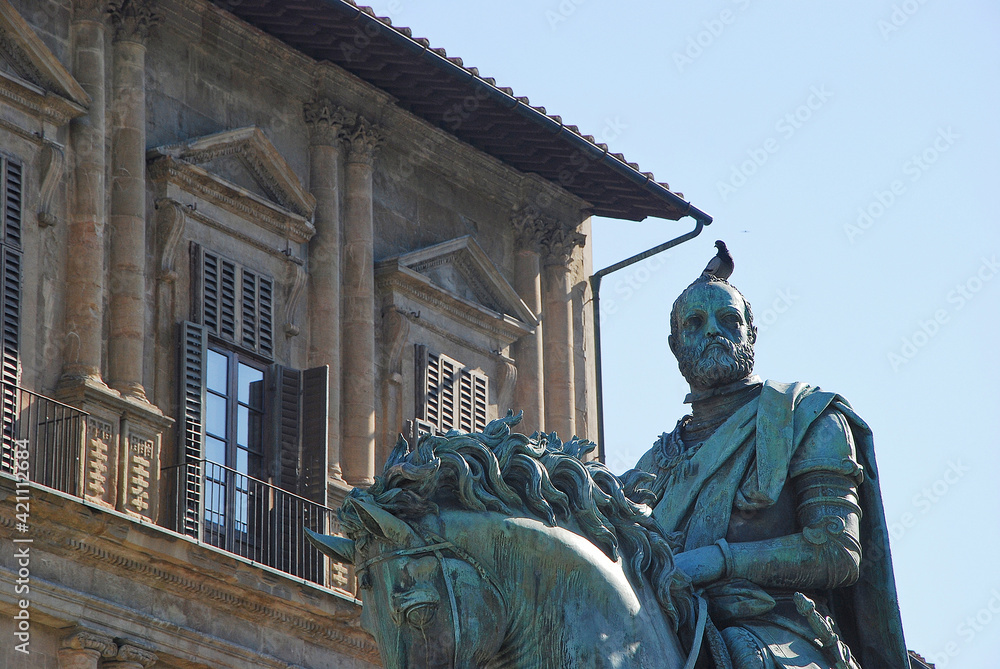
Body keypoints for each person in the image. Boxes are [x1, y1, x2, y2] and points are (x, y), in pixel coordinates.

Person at [632, 274, 908, 669]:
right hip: (667, 628)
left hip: (782, 636)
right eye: (695, 322)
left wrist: (719, 561)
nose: (713, 331)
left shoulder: (806, 419)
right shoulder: (649, 468)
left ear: (752, 333)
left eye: (729, 319)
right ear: (675, 345)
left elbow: (838, 551)